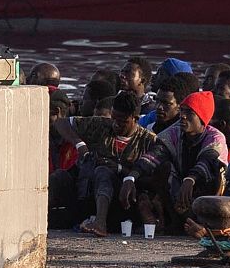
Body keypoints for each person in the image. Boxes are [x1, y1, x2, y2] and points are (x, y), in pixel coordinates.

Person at [56, 91, 157, 236]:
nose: (116, 124)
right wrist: (79, 144)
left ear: (135, 119)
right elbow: (61, 123)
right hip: (87, 193)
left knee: (103, 171)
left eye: (122, 121)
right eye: (114, 118)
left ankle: (100, 222)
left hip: (123, 199)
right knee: (59, 177)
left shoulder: (148, 140)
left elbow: (152, 179)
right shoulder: (101, 125)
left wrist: (121, 169)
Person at [123, 90, 226, 231]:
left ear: (202, 118)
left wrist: (190, 179)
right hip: (181, 185)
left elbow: (207, 161)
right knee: (162, 167)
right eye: (182, 111)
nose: (183, 116)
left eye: (189, 113)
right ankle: (176, 220)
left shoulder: (215, 137)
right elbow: (154, 155)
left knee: (216, 172)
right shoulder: (174, 132)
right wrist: (130, 177)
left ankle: (206, 225)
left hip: (208, 188)